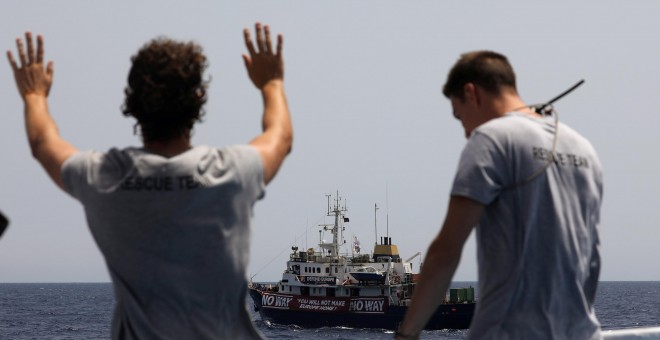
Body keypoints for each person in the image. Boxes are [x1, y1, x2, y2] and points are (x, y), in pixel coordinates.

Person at [7, 23, 292, 339]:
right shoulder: (234, 171)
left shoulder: (103, 176)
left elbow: (42, 142)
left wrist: (34, 95)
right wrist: (271, 83)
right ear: (199, 98)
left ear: (132, 102)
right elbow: (279, 138)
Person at [396, 51, 602, 339]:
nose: (466, 132)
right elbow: (591, 257)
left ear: (471, 92)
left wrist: (407, 333)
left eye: (460, 116)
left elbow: (446, 251)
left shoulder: (491, 140)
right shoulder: (584, 150)